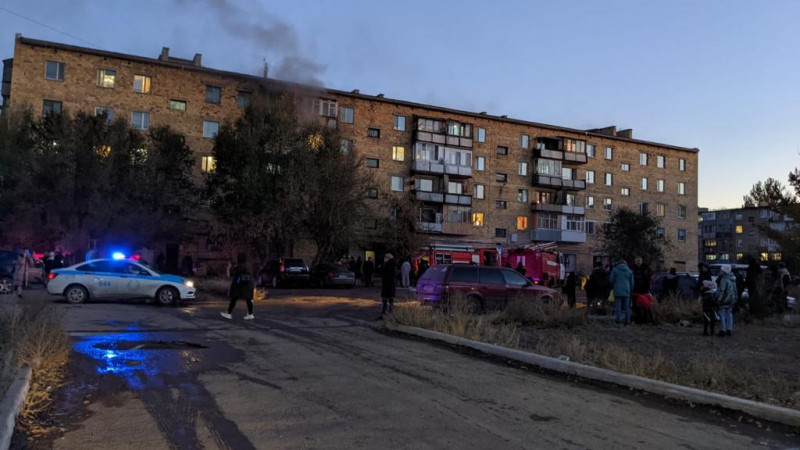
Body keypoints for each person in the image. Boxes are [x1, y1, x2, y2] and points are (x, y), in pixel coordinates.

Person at [221, 253, 255, 320]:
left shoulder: (240, 266)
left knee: (234, 299)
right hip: (249, 285)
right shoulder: (248, 265)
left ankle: (228, 313)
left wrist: (237, 281)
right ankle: (250, 314)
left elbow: (234, 275)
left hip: (241, 286)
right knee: (248, 299)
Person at [609, 259, 634, 325]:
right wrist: (631, 289)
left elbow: (611, 280)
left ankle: (618, 319)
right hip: (627, 289)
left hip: (617, 289)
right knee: (627, 306)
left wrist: (613, 286)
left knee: (618, 305)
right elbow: (632, 282)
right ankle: (628, 320)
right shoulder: (629, 271)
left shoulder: (615, 270)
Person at [715, 264, 737, 336]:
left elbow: (722, 291)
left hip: (724, 300)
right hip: (731, 299)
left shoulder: (724, 279)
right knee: (729, 314)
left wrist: (718, 299)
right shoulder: (733, 279)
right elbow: (735, 290)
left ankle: (722, 330)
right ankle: (729, 329)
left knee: (721, 314)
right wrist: (735, 299)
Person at [379, 253, 397, 318]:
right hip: (390, 286)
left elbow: (386, 276)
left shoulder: (388, 265)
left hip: (387, 286)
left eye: (385, 257)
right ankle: (389, 315)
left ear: (388, 258)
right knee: (390, 301)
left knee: (385, 301)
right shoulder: (392, 265)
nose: (384, 259)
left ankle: (384, 315)